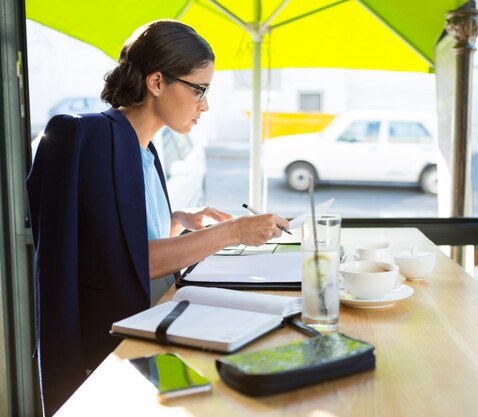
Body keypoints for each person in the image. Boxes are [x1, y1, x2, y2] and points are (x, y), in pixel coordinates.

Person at [26, 19, 289, 415]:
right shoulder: (97, 138)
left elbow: (118, 236)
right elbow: (128, 263)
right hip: (119, 345)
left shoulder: (147, 151)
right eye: (199, 89)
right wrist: (232, 232)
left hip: (158, 319)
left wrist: (176, 219)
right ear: (156, 82)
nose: (205, 105)